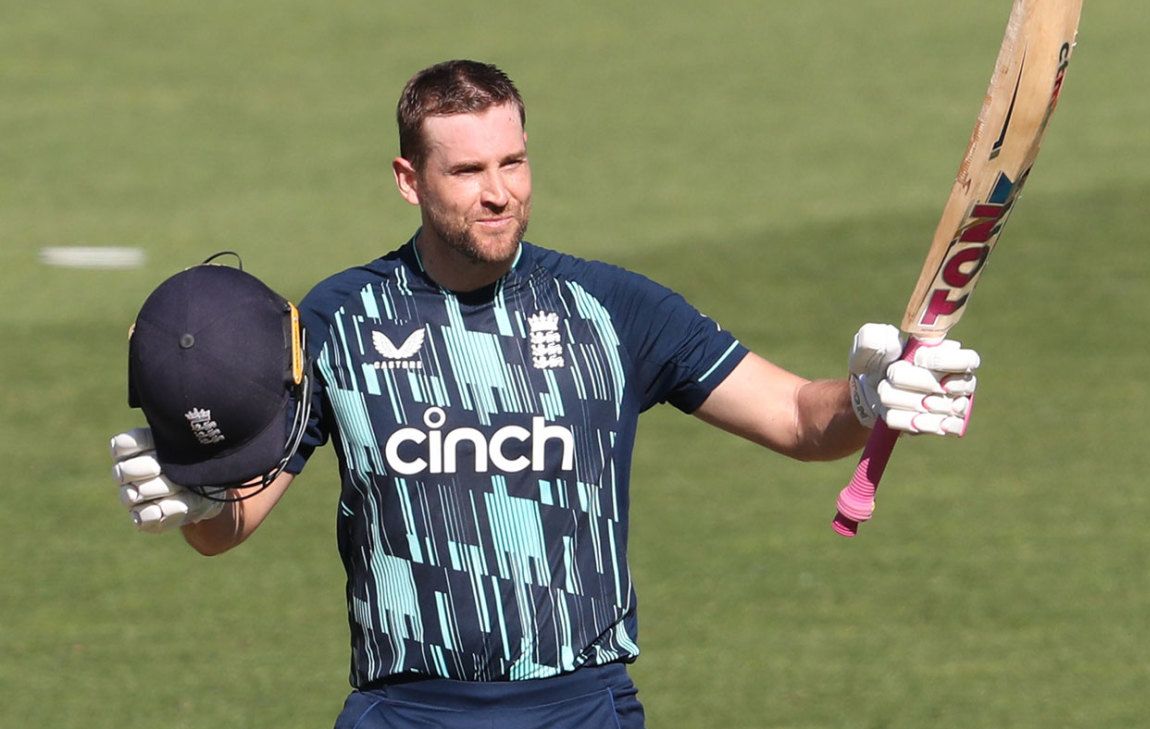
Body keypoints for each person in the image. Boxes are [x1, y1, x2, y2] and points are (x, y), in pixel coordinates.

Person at [112, 60, 979, 729]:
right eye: (467, 172)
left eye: (514, 161)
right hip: (407, 706)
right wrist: (193, 499)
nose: (499, 192)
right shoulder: (340, 318)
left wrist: (867, 395)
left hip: (581, 701)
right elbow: (235, 523)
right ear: (409, 179)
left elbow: (795, 418)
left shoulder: (610, 308)